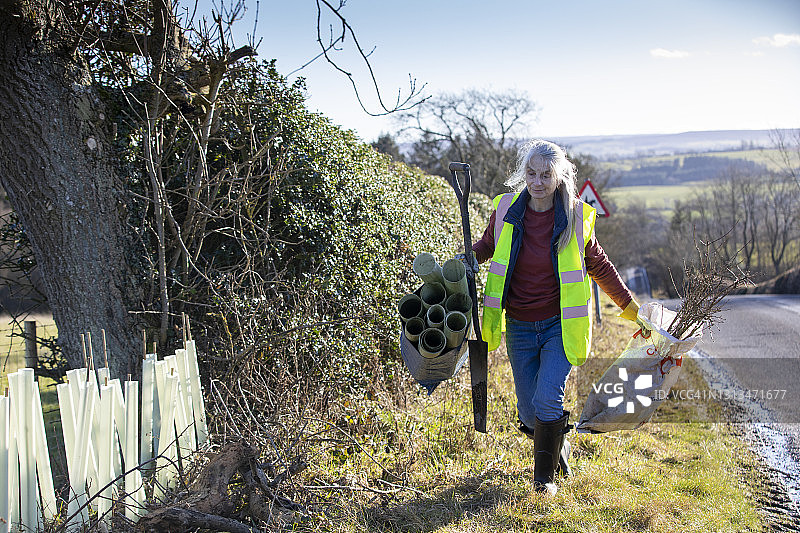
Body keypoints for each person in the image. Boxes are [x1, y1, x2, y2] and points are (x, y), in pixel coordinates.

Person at [459, 139, 646, 495]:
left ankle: (543, 480)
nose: (538, 181)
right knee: (529, 413)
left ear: (559, 177)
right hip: (518, 326)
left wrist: (630, 308)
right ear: (523, 174)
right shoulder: (505, 209)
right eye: (531, 173)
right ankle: (557, 444)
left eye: (546, 174)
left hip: (560, 325)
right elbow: (485, 246)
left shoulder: (575, 217)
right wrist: (466, 258)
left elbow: (600, 266)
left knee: (548, 400)